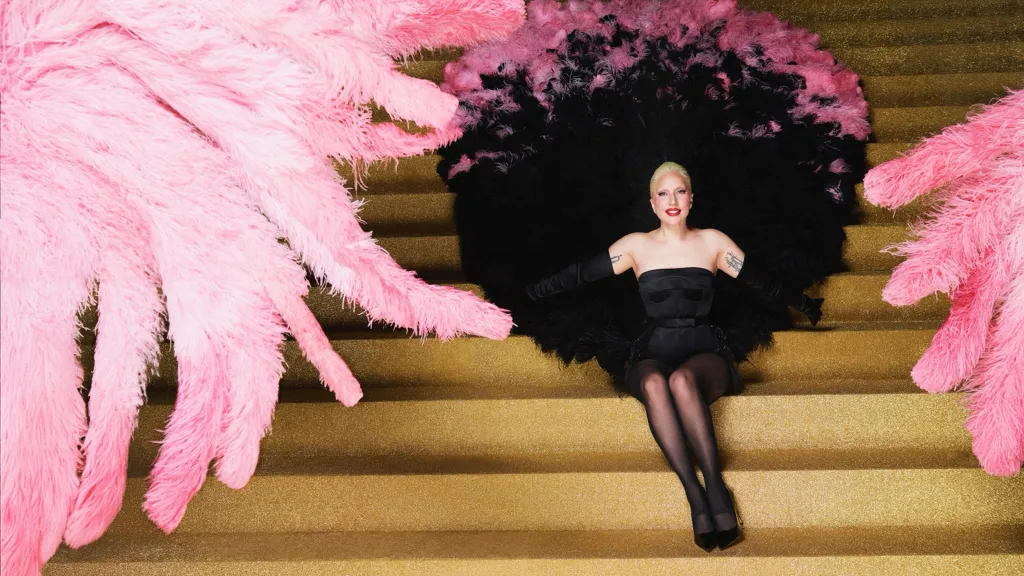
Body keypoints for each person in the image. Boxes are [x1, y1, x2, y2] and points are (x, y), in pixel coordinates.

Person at [525, 161, 823, 551]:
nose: (672, 200)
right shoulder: (636, 246)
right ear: (652, 203)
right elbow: (581, 274)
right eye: (663, 193)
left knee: (681, 381)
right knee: (654, 382)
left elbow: (760, 280)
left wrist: (804, 303)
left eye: (680, 191)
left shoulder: (713, 242)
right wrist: (531, 294)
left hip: (705, 353)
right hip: (652, 351)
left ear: (691, 199)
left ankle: (715, 487)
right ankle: (694, 495)